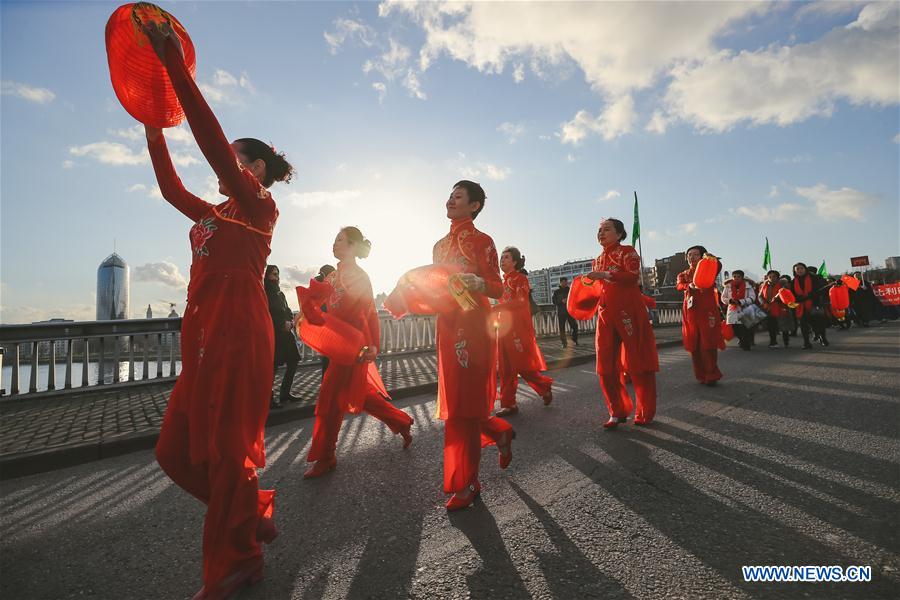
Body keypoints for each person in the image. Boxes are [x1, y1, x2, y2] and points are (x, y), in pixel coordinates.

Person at [142, 22, 292, 599]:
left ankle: (235, 562)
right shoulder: (213, 213)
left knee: (228, 453)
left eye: (236, 161)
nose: (226, 166)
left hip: (241, 331)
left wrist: (174, 67)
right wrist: (152, 123)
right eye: (230, 162)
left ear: (256, 170)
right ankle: (248, 514)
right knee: (173, 451)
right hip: (203, 334)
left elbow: (209, 139)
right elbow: (169, 189)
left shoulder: (259, 208)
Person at [303, 228, 414, 478]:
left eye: (340, 240)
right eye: (334, 240)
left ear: (353, 246)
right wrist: (306, 305)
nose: (334, 244)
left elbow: (369, 312)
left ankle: (326, 456)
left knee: (331, 399)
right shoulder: (332, 276)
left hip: (354, 345)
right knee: (359, 394)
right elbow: (317, 304)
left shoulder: (361, 276)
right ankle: (401, 421)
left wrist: (373, 344)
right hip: (336, 344)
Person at [433, 180, 514, 511]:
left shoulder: (483, 241)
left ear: (475, 205)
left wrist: (480, 282)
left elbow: (498, 287)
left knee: (465, 403)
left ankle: (465, 482)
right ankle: (498, 432)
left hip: (474, 325)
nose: (450, 200)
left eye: (458, 196)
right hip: (447, 324)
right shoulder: (439, 246)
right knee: (457, 403)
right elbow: (435, 286)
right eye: (450, 195)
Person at [585, 218, 659, 427]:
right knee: (605, 364)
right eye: (599, 230)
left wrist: (606, 274)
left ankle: (645, 411)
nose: (601, 233)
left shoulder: (628, 252)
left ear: (619, 234)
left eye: (606, 229)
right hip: (605, 314)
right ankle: (616, 411)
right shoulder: (597, 260)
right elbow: (598, 289)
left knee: (637, 361)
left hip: (628, 311)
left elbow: (633, 276)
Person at [494, 246, 554, 417]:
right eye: (501, 257)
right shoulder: (502, 282)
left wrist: (498, 308)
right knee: (505, 368)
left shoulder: (521, 278)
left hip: (518, 327)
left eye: (506, 257)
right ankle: (509, 404)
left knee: (522, 364)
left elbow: (521, 301)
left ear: (515, 262)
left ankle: (544, 386)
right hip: (503, 327)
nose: (502, 260)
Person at [677, 246, 724, 385]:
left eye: (695, 254)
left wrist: (710, 257)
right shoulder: (683, 274)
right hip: (691, 312)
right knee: (695, 344)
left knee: (708, 342)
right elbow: (679, 285)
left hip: (707, 310)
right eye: (689, 255)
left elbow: (718, 265)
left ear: (702, 256)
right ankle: (701, 374)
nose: (691, 257)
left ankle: (711, 374)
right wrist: (689, 286)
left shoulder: (709, 269)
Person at [264, 265, 300, 408]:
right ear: (267, 275)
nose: (277, 277)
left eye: (277, 274)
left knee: (294, 360)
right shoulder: (264, 292)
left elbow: (288, 310)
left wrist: (290, 322)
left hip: (286, 334)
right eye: (274, 274)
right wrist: (280, 324)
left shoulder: (280, 293)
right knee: (271, 367)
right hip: (274, 334)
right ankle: (268, 399)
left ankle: (285, 393)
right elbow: (265, 313)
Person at [792, 262, 829, 348]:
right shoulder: (794, 281)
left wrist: (811, 295)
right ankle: (806, 343)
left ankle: (823, 338)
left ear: (805, 269)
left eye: (802, 268)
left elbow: (821, 289)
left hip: (814, 303)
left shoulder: (814, 278)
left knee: (818, 323)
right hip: (801, 306)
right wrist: (798, 298)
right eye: (797, 269)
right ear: (794, 271)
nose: (800, 270)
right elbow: (792, 294)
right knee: (803, 325)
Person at [720, 270, 757, 351]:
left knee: (745, 328)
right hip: (732, 309)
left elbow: (752, 297)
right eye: (734, 276)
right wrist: (730, 301)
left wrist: (741, 301)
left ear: (742, 277)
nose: (736, 278)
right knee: (735, 327)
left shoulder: (748, 286)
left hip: (745, 309)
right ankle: (742, 340)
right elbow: (723, 297)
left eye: (738, 276)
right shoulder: (728, 286)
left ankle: (745, 343)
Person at [758, 270, 792, 347]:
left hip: (781, 307)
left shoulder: (782, 285)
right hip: (768, 308)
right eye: (770, 276)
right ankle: (773, 342)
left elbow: (787, 295)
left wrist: (778, 299)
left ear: (777, 277)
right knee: (771, 326)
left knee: (783, 325)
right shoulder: (763, 286)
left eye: (774, 276)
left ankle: (786, 341)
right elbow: (760, 296)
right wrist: (763, 303)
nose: (772, 278)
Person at [314, 264, 336, 378]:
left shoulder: (318, 285)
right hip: (329, 325)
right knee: (330, 358)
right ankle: (327, 382)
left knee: (327, 358)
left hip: (324, 326)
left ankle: (326, 382)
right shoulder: (325, 287)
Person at [552, 277, 579, 347]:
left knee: (575, 326)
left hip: (570, 311)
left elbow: (575, 299)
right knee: (562, 329)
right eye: (563, 282)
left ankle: (574, 339)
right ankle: (564, 343)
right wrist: (561, 301)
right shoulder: (556, 292)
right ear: (560, 283)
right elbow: (554, 301)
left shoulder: (570, 290)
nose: (564, 283)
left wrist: (568, 300)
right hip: (561, 312)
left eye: (565, 282)